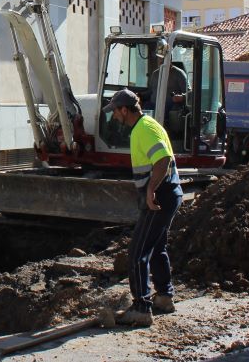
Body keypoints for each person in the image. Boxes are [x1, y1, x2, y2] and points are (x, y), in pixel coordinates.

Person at [105, 88, 183, 326]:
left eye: (115, 112)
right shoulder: (147, 125)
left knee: (137, 252)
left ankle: (141, 308)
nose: (114, 117)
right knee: (156, 246)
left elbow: (162, 159)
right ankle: (164, 297)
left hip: (159, 198)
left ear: (124, 109)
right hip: (167, 195)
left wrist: (150, 191)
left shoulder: (143, 129)